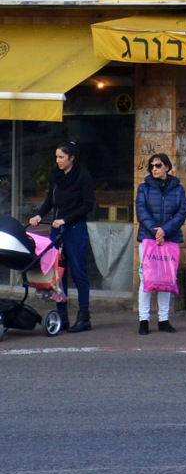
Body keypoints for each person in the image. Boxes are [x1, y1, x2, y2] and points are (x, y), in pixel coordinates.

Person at [29, 141, 95, 333]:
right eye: (56, 157)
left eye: (61, 157)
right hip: (57, 230)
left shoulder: (83, 177)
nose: (58, 161)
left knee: (78, 272)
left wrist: (66, 219)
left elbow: (87, 205)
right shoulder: (57, 176)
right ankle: (62, 315)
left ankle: (84, 316)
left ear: (71, 158)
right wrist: (40, 215)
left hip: (75, 228)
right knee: (58, 273)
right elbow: (51, 199)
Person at [135, 153, 186, 334]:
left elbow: (182, 213)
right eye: (151, 166)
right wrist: (156, 231)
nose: (154, 169)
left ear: (167, 166)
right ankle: (143, 319)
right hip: (149, 238)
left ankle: (164, 319)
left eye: (158, 165)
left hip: (169, 238)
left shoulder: (178, 189)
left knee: (166, 278)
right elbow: (141, 211)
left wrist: (165, 231)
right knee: (146, 278)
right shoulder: (143, 188)